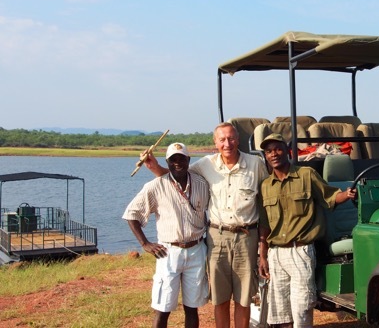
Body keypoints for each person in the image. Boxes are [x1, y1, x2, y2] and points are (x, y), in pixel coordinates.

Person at [144, 122, 268, 328]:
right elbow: (178, 174)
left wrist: (263, 248)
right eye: (222, 139)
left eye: (231, 138)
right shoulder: (206, 164)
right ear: (215, 142)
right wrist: (155, 167)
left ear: (238, 139)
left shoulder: (255, 164)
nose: (227, 143)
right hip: (217, 236)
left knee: (244, 298)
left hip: (248, 235)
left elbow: (266, 202)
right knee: (219, 298)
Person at [257, 133, 356, 328]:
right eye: (268, 151)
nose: (273, 154)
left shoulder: (306, 175)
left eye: (277, 149)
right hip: (276, 253)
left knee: (301, 308)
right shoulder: (265, 186)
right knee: (280, 312)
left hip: (300, 251)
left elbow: (329, 197)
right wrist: (262, 255)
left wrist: (347, 194)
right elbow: (264, 224)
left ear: (287, 151)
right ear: (266, 156)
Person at [123, 142, 210, 328]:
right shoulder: (155, 186)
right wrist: (145, 244)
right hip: (169, 252)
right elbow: (132, 214)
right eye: (173, 160)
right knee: (163, 307)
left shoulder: (202, 184)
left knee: (192, 307)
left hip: (196, 250)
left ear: (189, 160)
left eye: (181, 159)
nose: (177, 163)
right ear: (167, 162)